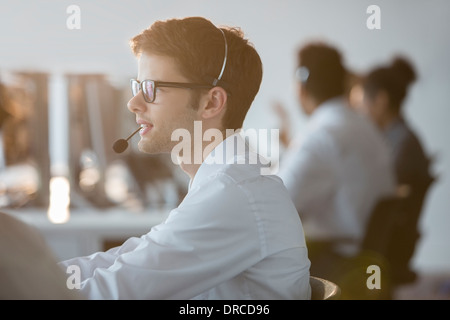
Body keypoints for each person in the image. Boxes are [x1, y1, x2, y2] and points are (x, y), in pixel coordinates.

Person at [57, 17, 311, 300]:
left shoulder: (232, 194)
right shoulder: (224, 183)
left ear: (211, 102)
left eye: (152, 87)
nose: (133, 102)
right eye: (137, 86)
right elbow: (133, 257)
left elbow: (111, 293)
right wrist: (34, 275)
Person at [276, 42, 396, 292]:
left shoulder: (321, 136)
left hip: (337, 262)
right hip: (369, 257)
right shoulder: (366, 127)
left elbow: (275, 206)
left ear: (301, 87)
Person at [360, 56, 435, 285]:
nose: (360, 109)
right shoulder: (397, 139)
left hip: (386, 245)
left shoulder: (400, 145)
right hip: (393, 241)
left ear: (380, 101)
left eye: (363, 101)